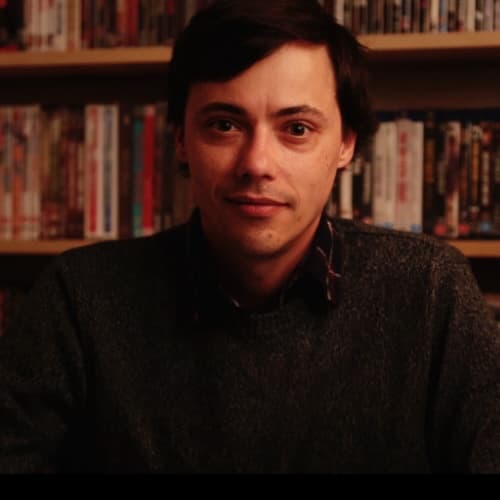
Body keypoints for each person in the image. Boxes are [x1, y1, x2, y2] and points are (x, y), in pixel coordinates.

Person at [1, 0, 499, 474]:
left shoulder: (431, 291)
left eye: (297, 129)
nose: (257, 163)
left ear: (346, 144)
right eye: (224, 125)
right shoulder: (79, 298)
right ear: (181, 139)